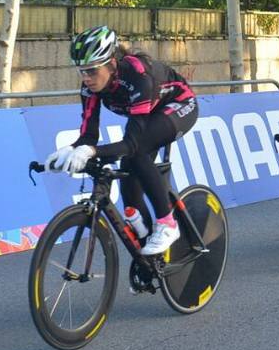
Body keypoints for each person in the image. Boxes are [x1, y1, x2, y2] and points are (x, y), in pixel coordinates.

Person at [45, 25, 198, 256]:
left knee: (136, 152)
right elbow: (88, 135)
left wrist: (91, 152)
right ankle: (152, 258)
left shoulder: (138, 76)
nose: (86, 78)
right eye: (81, 71)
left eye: (92, 71)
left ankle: (168, 223)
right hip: (148, 116)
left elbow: (132, 144)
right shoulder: (91, 87)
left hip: (178, 106)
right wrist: (69, 150)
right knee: (130, 201)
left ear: (112, 63)